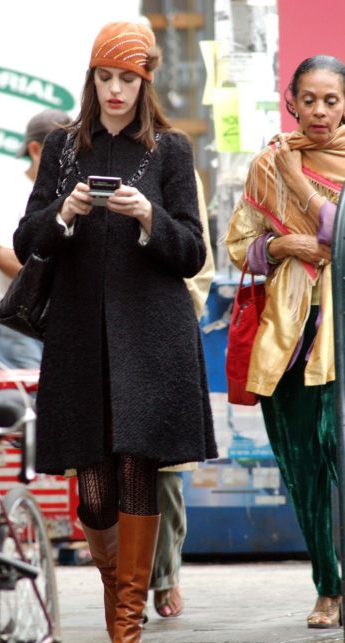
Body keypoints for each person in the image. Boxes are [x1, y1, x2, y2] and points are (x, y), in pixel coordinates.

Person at [13, 20, 217, 643]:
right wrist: (66, 212)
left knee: (137, 469)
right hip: (79, 338)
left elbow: (191, 249)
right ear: (92, 78)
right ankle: (117, 602)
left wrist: (148, 219)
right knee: (94, 494)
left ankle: (127, 631)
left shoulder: (169, 153)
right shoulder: (67, 151)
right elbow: (28, 238)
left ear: (145, 81)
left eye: (127, 79)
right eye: (106, 77)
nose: (115, 90)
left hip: (150, 339)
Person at [225, 55, 345, 629]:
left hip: (341, 339)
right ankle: (327, 584)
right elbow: (238, 245)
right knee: (302, 468)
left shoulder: (303, 166)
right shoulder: (265, 165)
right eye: (310, 100)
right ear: (291, 101)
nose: (320, 111)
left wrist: (300, 182)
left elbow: (338, 234)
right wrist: (282, 248)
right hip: (290, 337)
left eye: (333, 100)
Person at [150, 170, 215, 619]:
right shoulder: (80, 157)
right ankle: (123, 583)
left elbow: (200, 259)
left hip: (161, 326)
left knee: (164, 469)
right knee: (105, 470)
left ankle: (164, 573)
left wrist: (174, 313)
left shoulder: (175, 162)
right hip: (103, 330)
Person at [0, 108, 69, 368]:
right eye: (61, 150)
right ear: (35, 149)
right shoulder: (11, 191)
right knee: (29, 403)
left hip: (54, 318)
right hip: (21, 319)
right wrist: (57, 284)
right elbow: (1, 256)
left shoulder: (67, 190)